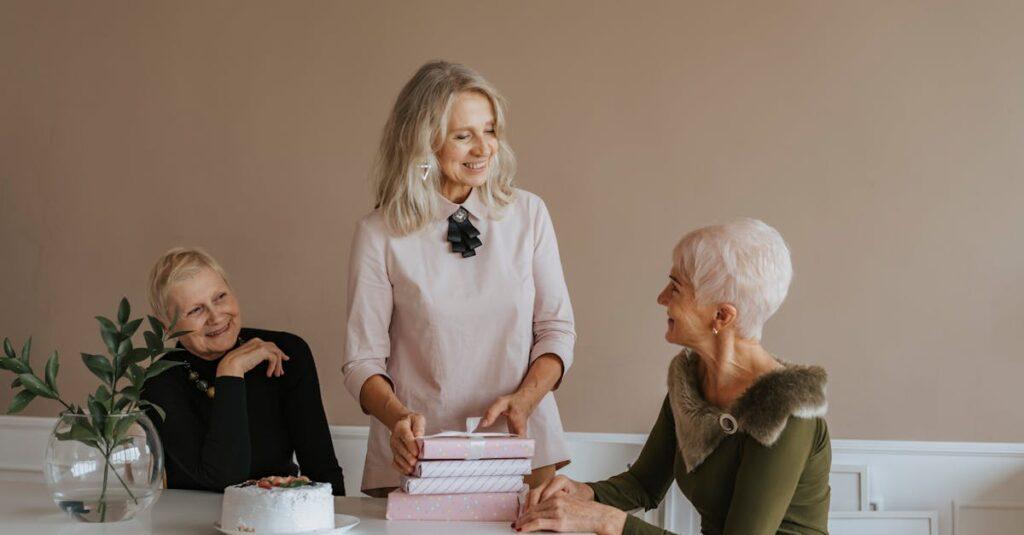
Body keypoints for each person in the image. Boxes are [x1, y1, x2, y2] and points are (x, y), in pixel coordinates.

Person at [343, 60, 576, 496]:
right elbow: (362, 361)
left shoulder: (529, 214)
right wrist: (398, 419)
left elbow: (556, 331)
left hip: (519, 448)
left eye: (490, 130)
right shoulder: (379, 233)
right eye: (463, 136)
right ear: (423, 142)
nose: (483, 148)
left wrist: (525, 400)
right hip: (418, 456)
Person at [515, 219, 830, 535]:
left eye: (676, 287)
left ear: (721, 316)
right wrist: (584, 493)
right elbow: (643, 484)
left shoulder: (784, 411)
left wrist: (607, 520)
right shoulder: (691, 383)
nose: (662, 298)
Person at [142, 247, 345, 495]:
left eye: (220, 297)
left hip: (277, 512)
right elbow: (223, 481)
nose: (216, 316)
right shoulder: (159, 382)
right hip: (194, 517)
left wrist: (337, 517)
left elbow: (322, 469)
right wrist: (231, 371)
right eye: (195, 310)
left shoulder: (287, 351)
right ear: (167, 327)